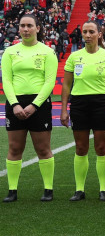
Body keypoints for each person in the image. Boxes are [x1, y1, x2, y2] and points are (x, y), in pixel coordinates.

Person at [61, 20, 105, 202]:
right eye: (85, 32)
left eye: (91, 31)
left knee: (101, 147)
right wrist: (64, 109)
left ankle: (104, 189)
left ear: (99, 34)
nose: (87, 35)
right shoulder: (74, 57)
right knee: (81, 147)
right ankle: (79, 190)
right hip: (78, 103)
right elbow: (67, 84)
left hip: (101, 102)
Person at [2, 14, 57, 202]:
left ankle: (48, 189)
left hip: (39, 104)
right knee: (15, 147)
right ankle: (12, 190)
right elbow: (7, 80)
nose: (26, 29)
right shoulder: (9, 52)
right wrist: (15, 104)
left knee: (43, 149)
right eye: (22, 26)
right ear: (18, 29)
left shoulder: (47, 52)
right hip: (14, 103)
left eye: (29, 26)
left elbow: (50, 81)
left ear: (38, 28)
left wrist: (34, 105)